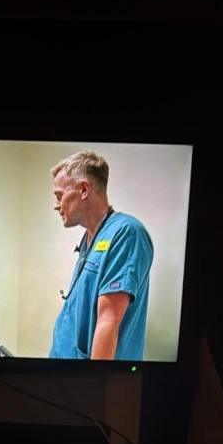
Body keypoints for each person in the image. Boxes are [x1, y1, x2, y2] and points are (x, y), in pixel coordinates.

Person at [49, 151, 154, 361]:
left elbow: (108, 321)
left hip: (86, 378)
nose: (56, 205)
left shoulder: (126, 233)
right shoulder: (91, 238)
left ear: (84, 190)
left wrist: (94, 379)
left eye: (60, 196)